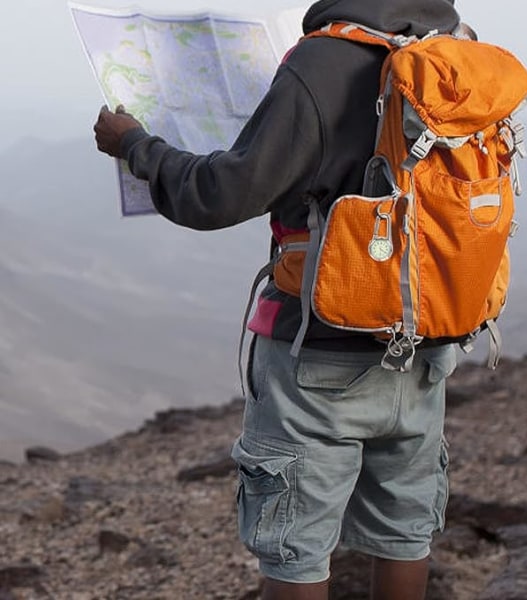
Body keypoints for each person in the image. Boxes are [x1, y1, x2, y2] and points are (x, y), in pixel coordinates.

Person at [94, 1, 464, 598]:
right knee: (404, 532)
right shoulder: (454, 54)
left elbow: (217, 196)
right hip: (426, 341)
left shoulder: (324, 60)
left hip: (317, 352)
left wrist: (135, 143)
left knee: (294, 543)